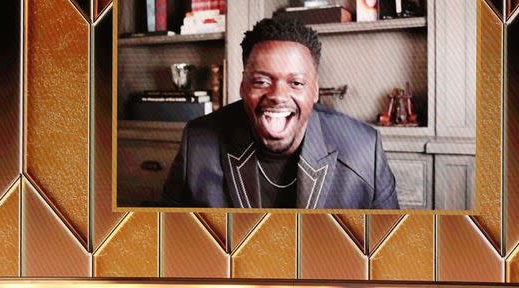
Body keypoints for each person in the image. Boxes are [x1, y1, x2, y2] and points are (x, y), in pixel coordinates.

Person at [162, 17, 399, 209]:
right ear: (243, 87)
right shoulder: (199, 142)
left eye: (296, 83)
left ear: (315, 91)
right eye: (262, 81)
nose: (277, 95)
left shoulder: (363, 149)